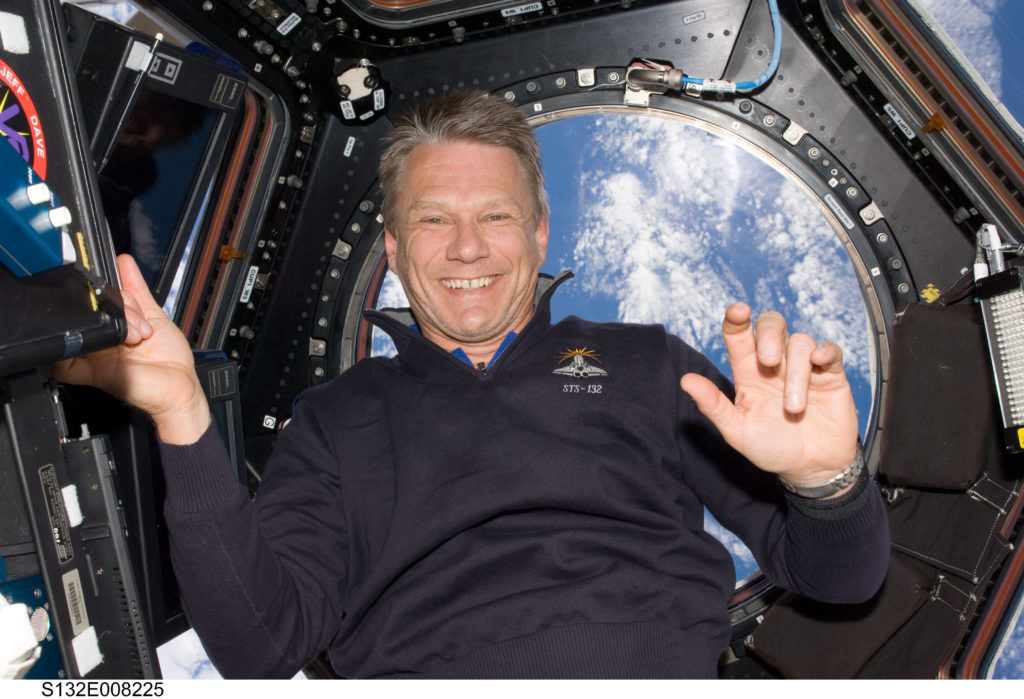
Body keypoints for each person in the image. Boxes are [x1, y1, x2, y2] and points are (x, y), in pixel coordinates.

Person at [56, 90, 889, 679]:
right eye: (433, 219)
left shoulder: (647, 363)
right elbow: (259, 644)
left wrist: (827, 484)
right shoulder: (335, 421)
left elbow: (841, 579)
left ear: (537, 230)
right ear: (392, 244)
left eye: (493, 215)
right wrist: (183, 417)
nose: (466, 248)